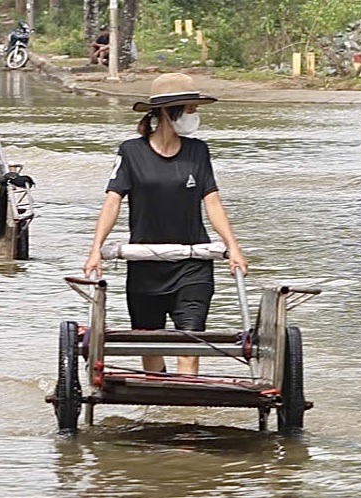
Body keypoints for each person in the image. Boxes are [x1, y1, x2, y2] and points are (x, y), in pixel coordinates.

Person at [82, 73, 248, 376]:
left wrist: (233, 248)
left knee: (190, 343)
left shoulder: (198, 152)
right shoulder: (131, 152)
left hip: (193, 264)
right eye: (190, 109)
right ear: (166, 112)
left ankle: (188, 415)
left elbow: (212, 201)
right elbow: (113, 201)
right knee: (151, 346)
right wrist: (95, 250)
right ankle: (160, 412)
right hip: (145, 266)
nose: (194, 115)